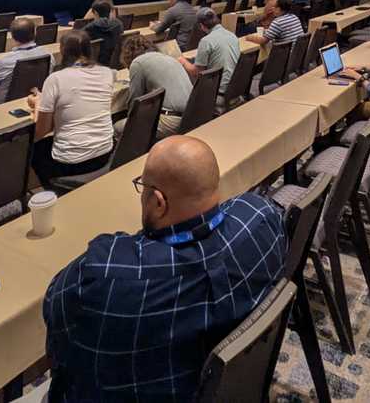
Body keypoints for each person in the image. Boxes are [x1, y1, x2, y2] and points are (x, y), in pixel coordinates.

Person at [42, 136, 286, 403]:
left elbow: (56, 317)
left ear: (159, 202)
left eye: (142, 187)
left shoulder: (104, 276)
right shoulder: (262, 217)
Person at [26, 31, 114, 186]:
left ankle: (53, 194)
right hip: (106, 154)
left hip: (71, 164)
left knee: (33, 147)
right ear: (89, 49)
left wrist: (38, 103)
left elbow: (42, 130)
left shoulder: (55, 79)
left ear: (62, 51)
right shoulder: (108, 73)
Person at [123, 33, 193, 138]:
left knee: (118, 127)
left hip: (171, 121)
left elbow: (134, 103)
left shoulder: (137, 63)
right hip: (190, 116)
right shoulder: (169, 57)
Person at [0, 17, 44, 105]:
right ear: (35, 33)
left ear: (12, 36)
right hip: (34, 94)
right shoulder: (48, 54)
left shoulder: (4, 60)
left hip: (4, 101)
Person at [180, 7, 240, 98]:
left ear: (201, 25)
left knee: (184, 74)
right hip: (234, 88)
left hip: (218, 92)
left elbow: (196, 72)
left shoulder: (206, 41)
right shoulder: (232, 36)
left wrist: (182, 61)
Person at [84, 0, 124, 67]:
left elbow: (77, 38)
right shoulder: (119, 24)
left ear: (96, 13)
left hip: (97, 64)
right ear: (109, 12)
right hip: (116, 63)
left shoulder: (91, 27)